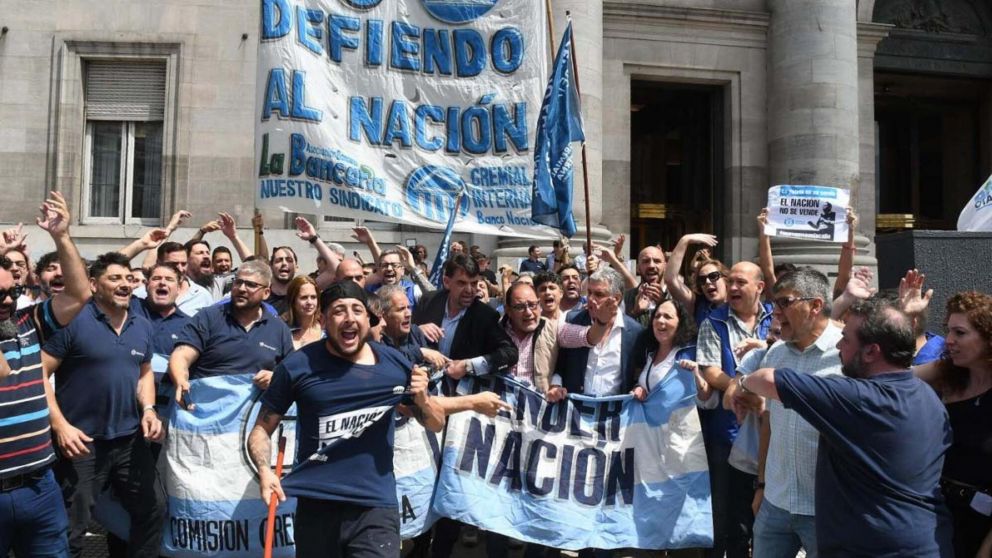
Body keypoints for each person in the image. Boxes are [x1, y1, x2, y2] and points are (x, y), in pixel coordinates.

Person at [734, 298, 953, 557]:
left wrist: (743, 384)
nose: (838, 345)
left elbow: (767, 378)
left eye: (846, 339)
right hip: (925, 541)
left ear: (872, 351)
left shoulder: (858, 399)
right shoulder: (927, 396)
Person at [247, 281, 444, 558]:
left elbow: (435, 422)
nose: (349, 318)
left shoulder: (395, 364)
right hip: (316, 507)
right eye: (339, 311)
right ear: (324, 319)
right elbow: (260, 431)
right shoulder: (297, 365)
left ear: (369, 319)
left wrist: (423, 399)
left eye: (357, 310)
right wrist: (265, 471)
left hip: (375, 506)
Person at [43, 252, 165, 558]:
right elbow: (39, 374)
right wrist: (60, 425)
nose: (125, 284)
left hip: (129, 441)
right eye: (115, 278)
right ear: (94, 285)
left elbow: (145, 372)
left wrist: (149, 409)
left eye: (128, 278)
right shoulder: (73, 321)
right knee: (72, 528)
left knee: (153, 510)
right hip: (81, 444)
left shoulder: (142, 324)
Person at [722, 268, 841, 558]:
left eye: (785, 302)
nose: (775, 313)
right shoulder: (775, 355)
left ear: (815, 305)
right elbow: (769, 424)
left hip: (826, 509)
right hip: (775, 502)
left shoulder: (846, 354)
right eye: (775, 304)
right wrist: (761, 485)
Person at [0, 191, 90, 556]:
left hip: (40, 487)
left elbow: (80, 294)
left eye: (12, 292)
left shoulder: (25, 324)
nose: (7, 301)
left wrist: (62, 237)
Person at [693, 261, 772, 558]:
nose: (734, 288)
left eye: (741, 282)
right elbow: (711, 371)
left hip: (770, 432)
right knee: (728, 515)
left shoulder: (776, 319)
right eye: (732, 282)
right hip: (727, 433)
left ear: (760, 287)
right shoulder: (713, 322)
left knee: (766, 512)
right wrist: (743, 393)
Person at [915, 291, 992, 558]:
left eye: (960, 333)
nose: (948, 341)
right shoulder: (947, 373)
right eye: (948, 331)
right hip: (938, 513)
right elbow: (891, 381)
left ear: (987, 337)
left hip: (981, 525)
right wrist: (904, 316)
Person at [168, 260, 294, 398]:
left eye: (251, 285)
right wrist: (180, 380)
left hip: (254, 415)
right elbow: (182, 355)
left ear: (266, 293)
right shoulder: (208, 317)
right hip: (205, 410)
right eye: (238, 282)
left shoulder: (279, 329)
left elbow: (290, 373)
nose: (242, 288)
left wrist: (275, 378)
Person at [501, 281, 611, 398]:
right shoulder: (495, 331)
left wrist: (602, 321)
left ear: (539, 304)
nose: (528, 312)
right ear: (508, 310)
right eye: (520, 307)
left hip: (536, 411)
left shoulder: (553, 329)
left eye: (532, 305)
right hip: (499, 411)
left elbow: (590, 337)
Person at [557, 268, 644, 397]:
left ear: (617, 298)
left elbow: (638, 372)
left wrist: (639, 387)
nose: (591, 299)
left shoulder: (635, 331)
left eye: (599, 294)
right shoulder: (572, 320)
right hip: (575, 408)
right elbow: (559, 364)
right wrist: (556, 384)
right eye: (589, 292)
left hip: (614, 411)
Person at [631, 298, 699, 401]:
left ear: (680, 323)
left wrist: (698, 376)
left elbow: (709, 401)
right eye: (657, 316)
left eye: (667, 317)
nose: (660, 320)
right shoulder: (649, 352)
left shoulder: (690, 352)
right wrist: (638, 388)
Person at [377, 285, 448, 369]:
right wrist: (420, 353)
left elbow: (429, 364)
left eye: (409, 307)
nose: (408, 314)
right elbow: (389, 361)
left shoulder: (415, 333)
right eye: (401, 309)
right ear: (384, 315)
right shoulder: (376, 338)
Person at [665, 234, 728, 324]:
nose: (707, 282)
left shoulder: (739, 304)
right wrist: (685, 240)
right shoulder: (698, 305)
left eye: (713, 276)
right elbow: (670, 279)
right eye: (702, 280)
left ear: (725, 279)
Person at [624, 246, 668, 327]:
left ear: (665, 266)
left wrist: (663, 304)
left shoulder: (675, 297)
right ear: (638, 268)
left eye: (657, 261)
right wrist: (635, 312)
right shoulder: (625, 298)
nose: (651, 265)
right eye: (646, 261)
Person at [282, 275, 323, 350]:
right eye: (304, 297)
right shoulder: (282, 331)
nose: (309, 302)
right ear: (293, 301)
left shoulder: (326, 329)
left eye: (313, 297)